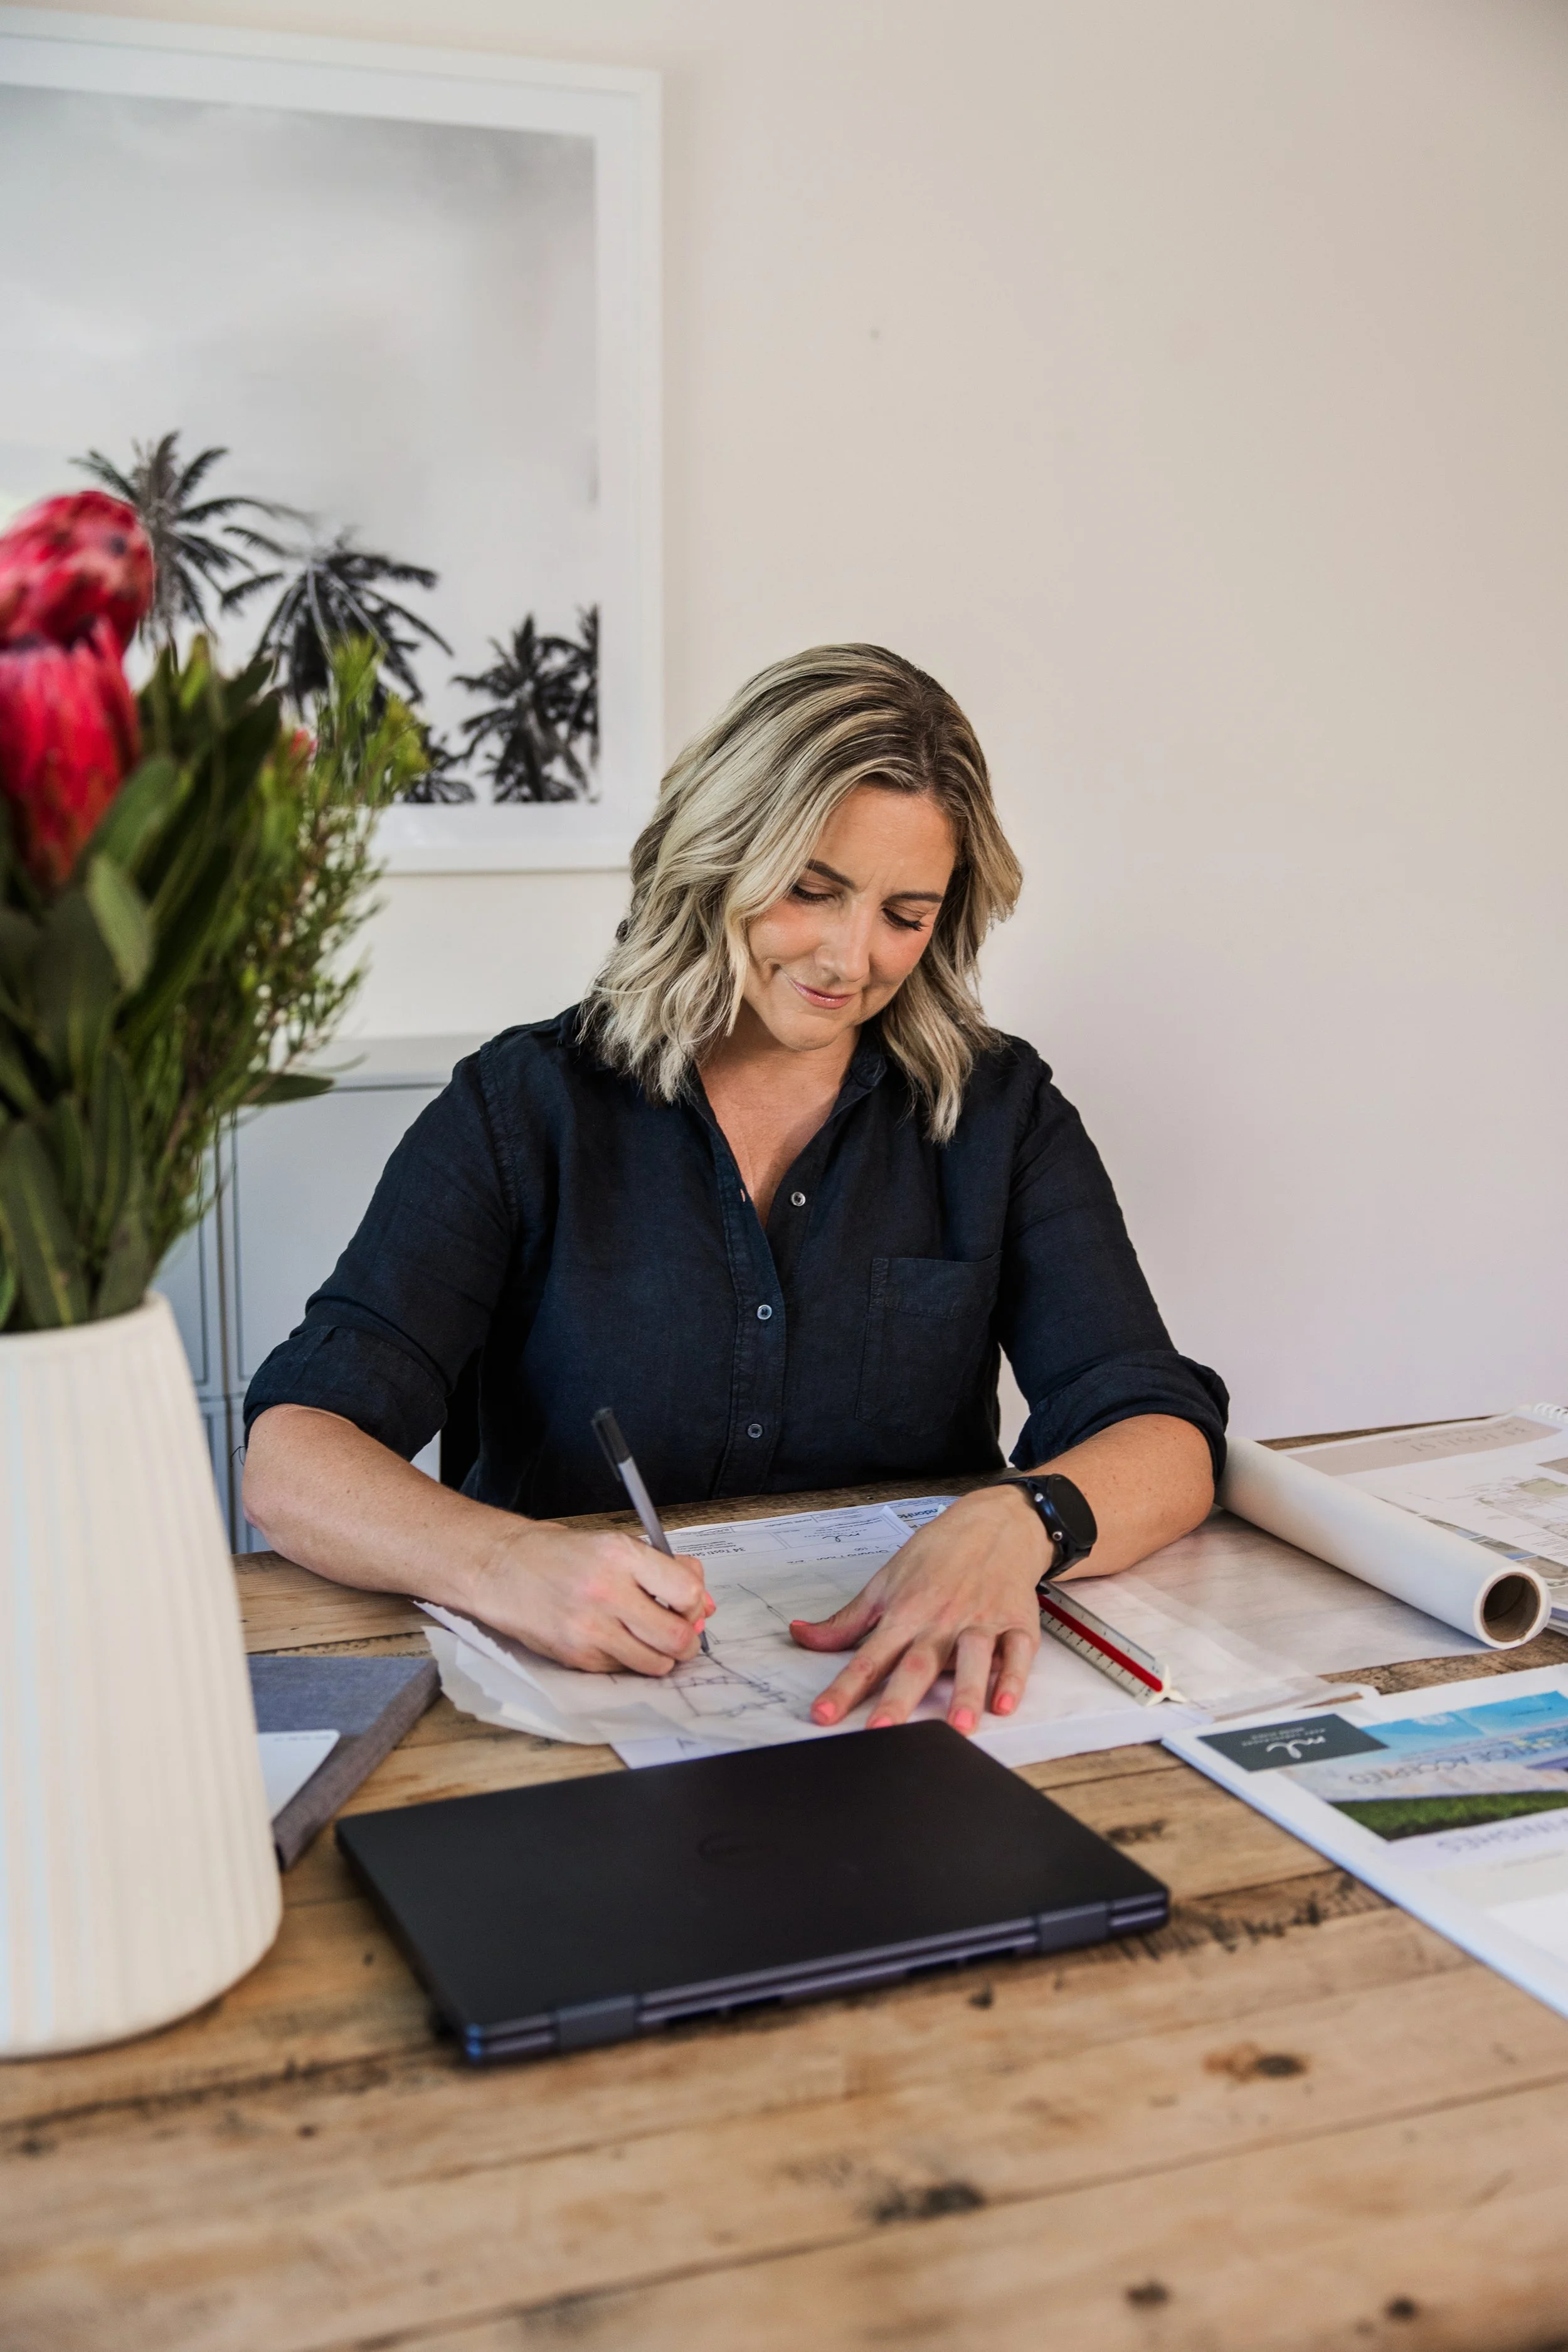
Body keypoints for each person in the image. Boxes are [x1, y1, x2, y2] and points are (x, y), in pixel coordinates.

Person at [243, 645, 1226, 1734]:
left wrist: (1025, 1515)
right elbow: (293, 1454)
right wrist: (503, 1560)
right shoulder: (523, 1110)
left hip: (912, 1724)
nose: (852, 958)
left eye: (905, 914)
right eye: (814, 889)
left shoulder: (998, 1113)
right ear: (721, 856)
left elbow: (1164, 1431)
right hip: (580, 1722)